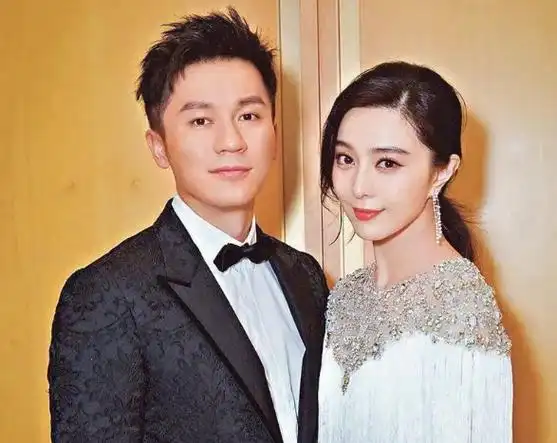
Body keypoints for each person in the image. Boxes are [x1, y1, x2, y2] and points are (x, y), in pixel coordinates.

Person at [47, 7, 329, 443]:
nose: (231, 141)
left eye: (249, 116)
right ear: (159, 147)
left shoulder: (305, 275)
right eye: (200, 121)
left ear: (274, 132)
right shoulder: (106, 294)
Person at [317, 61, 512, 442]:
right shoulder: (346, 294)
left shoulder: (461, 307)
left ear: (441, 172)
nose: (359, 186)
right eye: (346, 159)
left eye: (387, 163)